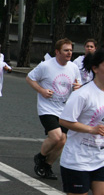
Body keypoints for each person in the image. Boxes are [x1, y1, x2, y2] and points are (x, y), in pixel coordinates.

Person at [37, 48, 104, 195]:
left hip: (99, 156)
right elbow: (64, 121)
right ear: (95, 68)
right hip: (77, 157)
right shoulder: (83, 93)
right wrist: (91, 129)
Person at [27, 38, 82, 180]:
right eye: (66, 50)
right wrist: (41, 90)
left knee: (63, 140)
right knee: (56, 136)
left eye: (70, 50)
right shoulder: (46, 66)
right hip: (47, 108)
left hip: (64, 109)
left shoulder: (73, 67)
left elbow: (78, 84)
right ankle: (40, 156)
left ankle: (47, 166)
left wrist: (78, 88)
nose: (69, 53)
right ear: (57, 52)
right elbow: (30, 78)